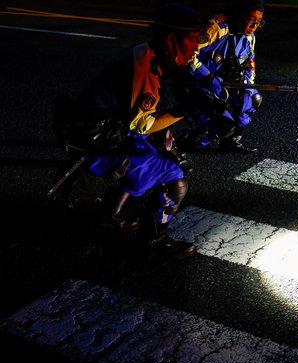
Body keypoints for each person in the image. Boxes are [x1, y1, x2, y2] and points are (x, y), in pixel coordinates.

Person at [52, 2, 203, 260]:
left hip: (100, 130)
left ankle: (108, 216)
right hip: (97, 141)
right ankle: (153, 240)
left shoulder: (148, 54)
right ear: (171, 40)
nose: (197, 46)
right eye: (192, 39)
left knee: (166, 148)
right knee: (174, 173)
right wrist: (185, 110)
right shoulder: (145, 65)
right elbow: (142, 124)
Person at [182, 0, 266, 154]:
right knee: (224, 126)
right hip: (200, 83)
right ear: (239, 15)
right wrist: (208, 77)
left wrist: (247, 84)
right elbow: (186, 54)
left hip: (226, 85)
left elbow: (249, 63)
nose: (254, 26)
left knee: (253, 98)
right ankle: (186, 142)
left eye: (259, 22)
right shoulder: (216, 28)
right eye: (251, 20)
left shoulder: (250, 37)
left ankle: (232, 141)